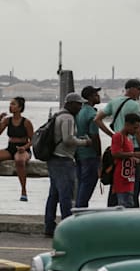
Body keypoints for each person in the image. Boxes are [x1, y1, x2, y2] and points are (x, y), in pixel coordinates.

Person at [44, 93, 92, 237]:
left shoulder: (58, 115)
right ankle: (67, 228)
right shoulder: (68, 118)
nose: (80, 107)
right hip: (63, 159)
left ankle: (49, 226)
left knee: (53, 195)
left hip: (53, 159)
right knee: (66, 195)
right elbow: (68, 139)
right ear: (71, 104)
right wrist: (85, 142)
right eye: (79, 104)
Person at [95, 78, 140, 208]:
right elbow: (138, 129)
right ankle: (131, 212)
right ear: (132, 89)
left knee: (116, 182)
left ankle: (112, 211)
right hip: (131, 148)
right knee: (132, 183)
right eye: (139, 89)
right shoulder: (134, 105)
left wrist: (112, 135)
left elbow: (97, 119)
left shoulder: (114, 102)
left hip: (118, 145)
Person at [0, 97, 34, 201]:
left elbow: (33, 140)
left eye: (13, 104)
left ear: (20, 107)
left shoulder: (26, 122)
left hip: (23, 149)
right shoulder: (7, 120)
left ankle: (23, 190)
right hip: (10, 148)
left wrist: (24, 148)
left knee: (19, 160)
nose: (11, 106)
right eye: (10, 104)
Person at [75, 86, 102, 208]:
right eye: (96, 94)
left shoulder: (79, 111)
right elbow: (94, 136)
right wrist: (99, 154)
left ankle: (77, 211)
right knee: (87, 188)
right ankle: (80, 213)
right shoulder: (92, 113)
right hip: (90, 155)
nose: (98, 96)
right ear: (91, 97)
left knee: (81, 185)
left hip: (79, 154)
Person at [111, 113, 140, 208]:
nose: (136, 130)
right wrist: (134, 154)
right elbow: (115, 153)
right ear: (127, 125)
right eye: (134, 128)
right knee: (124, 205)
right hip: (121, 179)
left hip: (129, 179)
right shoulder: (118, 137)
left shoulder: (128, 139)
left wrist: (138, 160)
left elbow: (127, 158)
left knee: (129, 204)